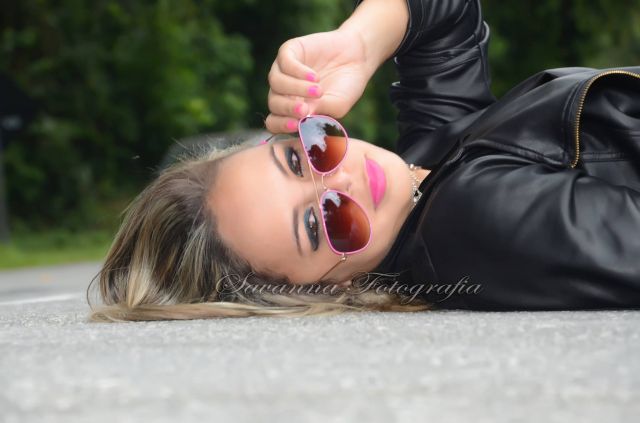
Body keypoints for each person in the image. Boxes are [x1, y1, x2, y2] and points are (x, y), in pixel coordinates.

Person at [88, 0, 640, 322]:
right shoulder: (471, 221)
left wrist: (358, 43)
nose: (343, 179)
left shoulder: (426, 167)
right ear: (328, 289)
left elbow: (446, 16)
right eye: (321, 222)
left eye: (305, 157)